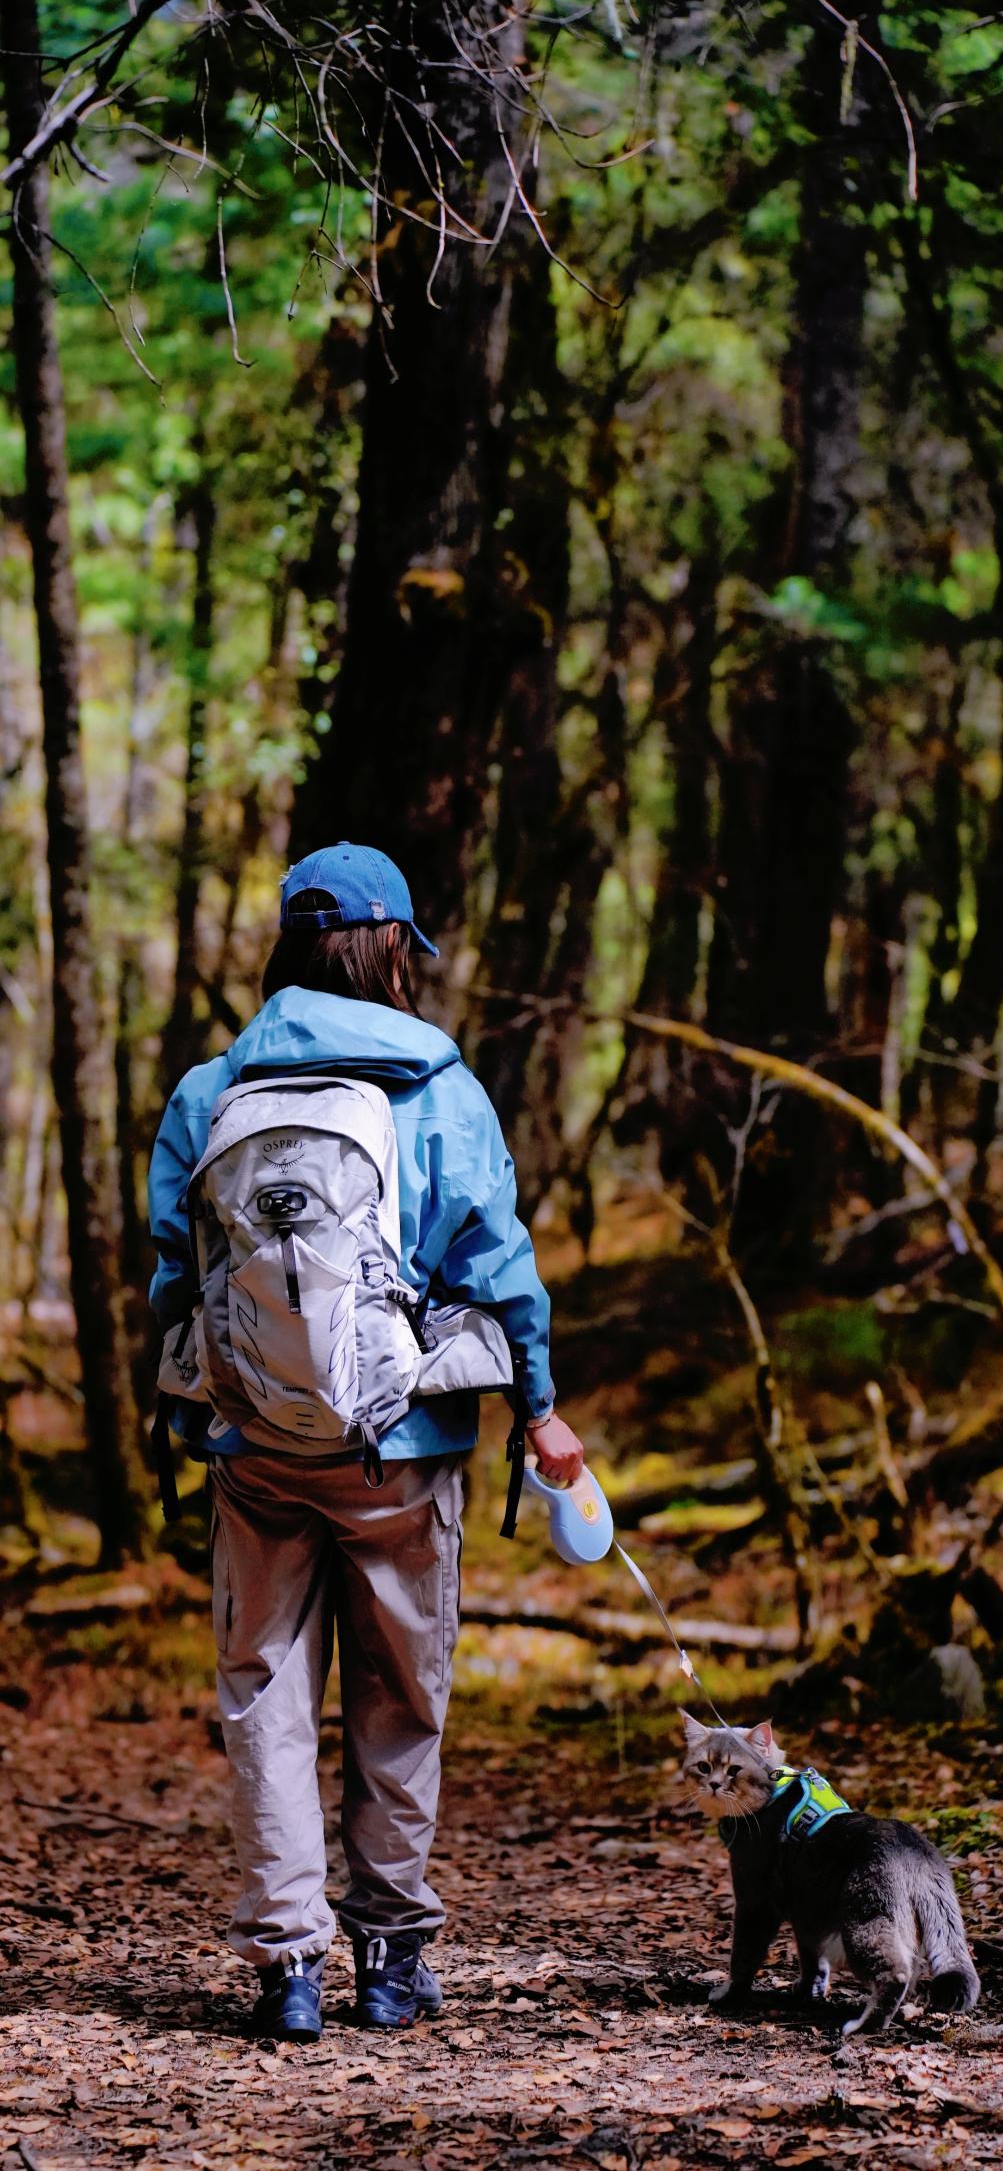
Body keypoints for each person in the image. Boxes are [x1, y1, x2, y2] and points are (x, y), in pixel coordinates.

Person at [148, 841, 584, 2041]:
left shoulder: (210, 1092)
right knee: (400, 1693)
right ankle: (389, 1957)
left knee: (265, 1691)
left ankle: (290, 1964)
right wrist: (538, 1406)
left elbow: (171, 1278)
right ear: (392, 947)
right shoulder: (441, 1088)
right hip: (405, 1440)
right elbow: (500, 1268)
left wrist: (202, 1404)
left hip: (254, 1448)